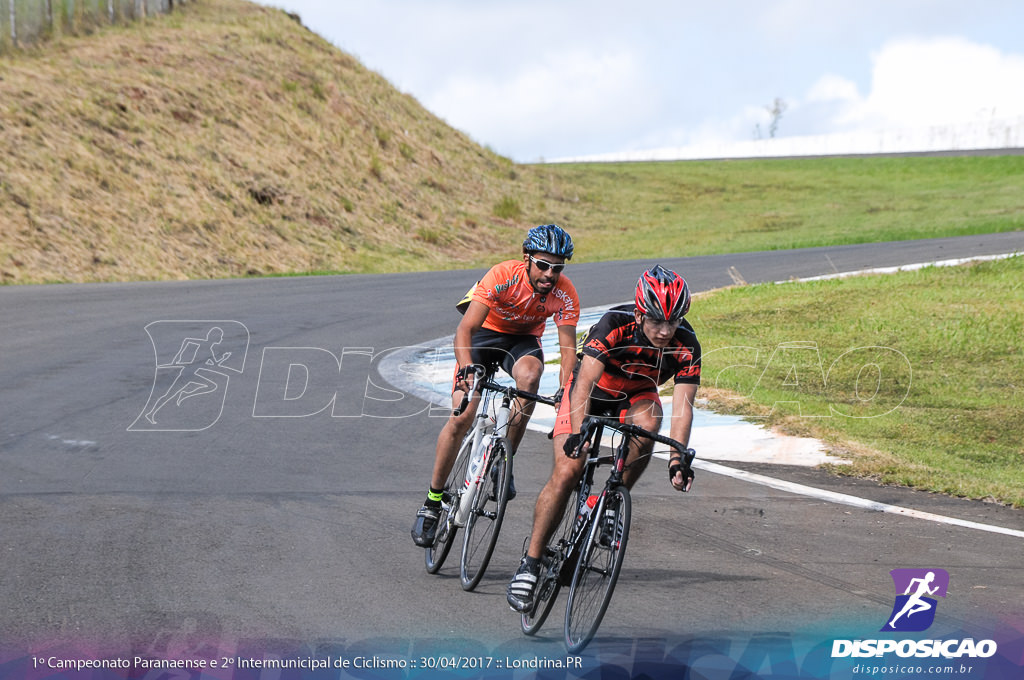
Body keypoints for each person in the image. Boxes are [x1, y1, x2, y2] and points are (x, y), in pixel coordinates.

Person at [506, 264, 700, 612]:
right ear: (641, 312)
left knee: (651, 419)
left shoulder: (686, 344)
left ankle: (608, 501)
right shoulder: (613, 324)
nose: (665, 331)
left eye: (673, 322)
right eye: (657, 321)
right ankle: (531, 563)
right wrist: (578, 433)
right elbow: (582, 385)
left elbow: (683, 408)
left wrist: (676, 459)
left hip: (636, 395)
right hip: (590, 392)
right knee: (568, 471)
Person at [411, 224, 580, 548]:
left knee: (530, 377)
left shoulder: (565, 292)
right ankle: (432, 502)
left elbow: (568, 351)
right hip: (483, 336)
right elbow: (464, 329)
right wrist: (465, 369)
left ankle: (504, 459)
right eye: (542, 265)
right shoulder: (502, 275)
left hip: (523, 341)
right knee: (462, 416)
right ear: (526, 258)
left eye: (557, 268)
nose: (549, 274)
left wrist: (564, 393)